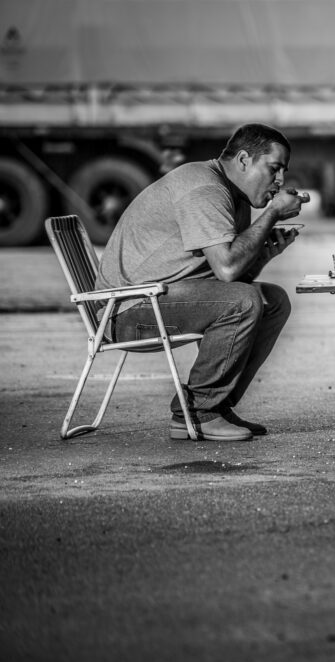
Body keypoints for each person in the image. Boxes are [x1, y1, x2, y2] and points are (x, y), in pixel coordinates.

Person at [95, 122, 310, 441]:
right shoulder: (206, 189)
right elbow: (226, 273)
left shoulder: (234, 196)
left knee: (272, 301)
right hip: (124, 314)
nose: (280, 181)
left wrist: (266, 254)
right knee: (245, 301)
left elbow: (231, 278)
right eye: (274, 169)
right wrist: (271, 215)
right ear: (243, 160)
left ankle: (217, 404)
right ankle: (197, 412)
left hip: (156, 300)